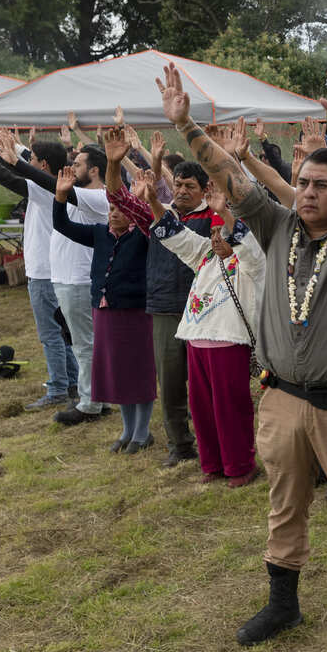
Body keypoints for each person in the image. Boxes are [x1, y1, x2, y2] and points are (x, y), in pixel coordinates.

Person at [158, 61, 327, 652]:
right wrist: (189, 127)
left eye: (323, 186)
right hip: (282, 398)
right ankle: (284, 602)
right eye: (305, 183)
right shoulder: (278, 227)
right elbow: (237, 182)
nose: (310, 193)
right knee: (284, 503)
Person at [141, 179, 264, 488]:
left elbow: (247, 244)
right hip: (196, 341)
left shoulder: (252, 262)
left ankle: (240, 465)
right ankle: (212, 463)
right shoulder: (205, 256)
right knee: (203, 409)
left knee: (230, 407)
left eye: (222, 232)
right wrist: (155, 201)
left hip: (229, 343)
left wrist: (225, 212)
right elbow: (175, 235)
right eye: (213, 232)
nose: (216, 237)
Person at [105, 139, 212, 468]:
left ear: (204, 191)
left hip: (205, 311)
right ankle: (180, 445)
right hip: (165, 308)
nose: (180, 190)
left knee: (206, 385)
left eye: (188, 186)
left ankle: (214, 446)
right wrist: (113, 163)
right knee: (170, 383)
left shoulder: (215, 218)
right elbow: (117, 197)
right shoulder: (158, 219)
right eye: (177, 184)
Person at [0, 124, 83, 412]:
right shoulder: (55, 182)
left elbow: (8, 176)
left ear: (42, 165)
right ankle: (72, 383)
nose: (26, 163)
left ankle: (58, 388)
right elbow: (20, 166)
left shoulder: (44, 188)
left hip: (44, 272)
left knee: (50, 335)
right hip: (52, 270)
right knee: (62, 332)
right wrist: (8, 148)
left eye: (31, 160)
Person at [49, 157, 155, 454]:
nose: (114, 214)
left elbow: (149, 220)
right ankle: (127, 430)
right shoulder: (99, 233)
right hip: (105, 312)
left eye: (120, 209)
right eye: (111, 209)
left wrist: (140, 199)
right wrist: (60, 195)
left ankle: (143, 432)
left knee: (139, 372)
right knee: (117, 373)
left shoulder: (144, 236)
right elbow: (61, 224)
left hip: (134, 313)